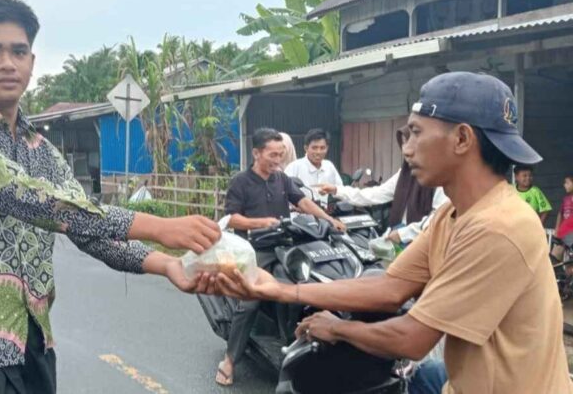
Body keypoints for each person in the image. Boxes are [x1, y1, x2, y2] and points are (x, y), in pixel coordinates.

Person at [0, 0, 221, 394]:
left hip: (32, 341)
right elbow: (24, 196)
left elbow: (84, 223)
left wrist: (166, 265)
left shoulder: (41, 149)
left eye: (19, 52)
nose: (8, 63)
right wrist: (158, 226)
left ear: (32, 62)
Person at [218, 72, 573, 394]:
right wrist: (281, 290)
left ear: (462, 139)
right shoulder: (451, 214)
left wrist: (337, 329)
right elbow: (390, 287)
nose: (406, 148)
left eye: (416, 132)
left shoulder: (499, 227)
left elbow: (413, 338)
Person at [215, 127, 344, 386]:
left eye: (280, 155)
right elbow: (231, 218)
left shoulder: (282, 179)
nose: (277, 160)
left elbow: (303, 202)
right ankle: (229, 360)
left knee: (300, 291)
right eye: (272, 155)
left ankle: (294, 348)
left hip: (284, 249)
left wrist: (329, 219)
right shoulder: (241, 181)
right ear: (256, 153)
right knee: (250, 302)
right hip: (253, 252)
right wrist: (261, 222)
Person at [318, 126, 448, 246]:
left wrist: (403, 234)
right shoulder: (404, 174)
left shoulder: (439, 175)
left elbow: (439, 218)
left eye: (409, 143)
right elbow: (377, 193)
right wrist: (337, 190)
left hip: (425, 243)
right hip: (398, 238)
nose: (405, 149)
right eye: (403, 143)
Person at [284, 128, 343, 204]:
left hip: (323, 210)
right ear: (306, 148)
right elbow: (284, 193)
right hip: (299, 211)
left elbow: (340, 190)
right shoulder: (294, 167)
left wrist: (331, 191)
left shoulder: (329, 166)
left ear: (327, 148)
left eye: (322, 148)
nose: (318, 152)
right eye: (314, 148)